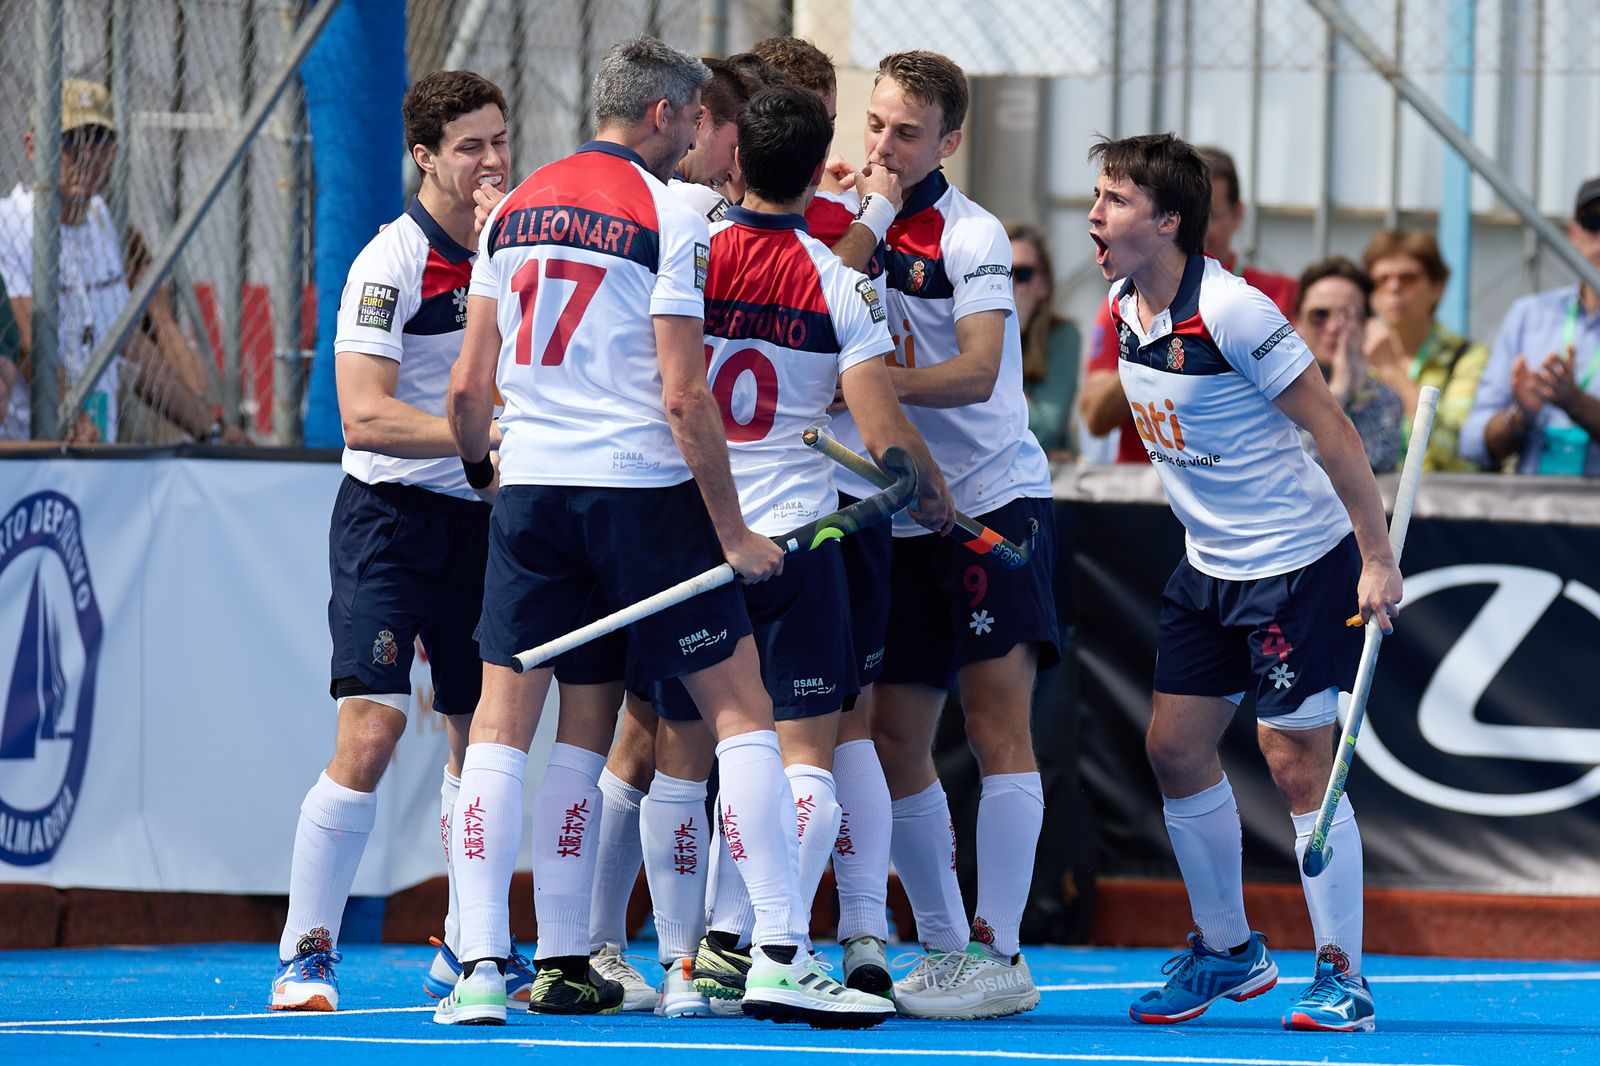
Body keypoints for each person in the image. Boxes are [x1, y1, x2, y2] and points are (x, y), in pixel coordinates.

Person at [437, 36, 894, 1029]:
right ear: (659, 114)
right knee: (740, 711)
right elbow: (685, 396)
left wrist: (484, 471)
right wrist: (729, 532)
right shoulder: (668, 215)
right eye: (693, 118)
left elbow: (468, 388)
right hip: (641, 493)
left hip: (530, 490)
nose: (703, 139)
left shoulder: (509, 209)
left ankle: (491, 965)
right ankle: (775, 947)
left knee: (504, 730)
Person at [636, 84, 952, 1019]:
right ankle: (767, 943)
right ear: (820, 173)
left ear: (732, 161)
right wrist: (930, 494)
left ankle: (683, 971)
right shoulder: (840, 282)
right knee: (802, 753)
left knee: (683, 756)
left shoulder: (686, 254)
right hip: (802, 542)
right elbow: (884, 429)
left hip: (696, 535)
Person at [1086, 132, 1402, 1033]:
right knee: (1174, 751)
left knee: (1297, 764)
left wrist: (1375, 558)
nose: (1095, 215)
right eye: (1098, 196)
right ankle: (1230, 953)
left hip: (1296, 566)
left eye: (1113, 200)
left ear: (1169, 221)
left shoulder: (1235, 312)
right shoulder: (1122, 303)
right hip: (1207, 567)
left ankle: (1343, 976)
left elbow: (1335, 432)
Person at [801, 50, 1060, 1021]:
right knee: (899, 733)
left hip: (991, 500)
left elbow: (983, 369)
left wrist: (864, 386)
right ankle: (948, 943)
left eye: (905, 133)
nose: (880, 146)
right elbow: (819, 308)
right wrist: (858, 220)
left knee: (997, 726)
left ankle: (1003, 944)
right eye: (872, 124)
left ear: (949, 141)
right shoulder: (844, 219)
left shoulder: (974, 232)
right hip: (896, 511)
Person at [265, 70, 516, 1013]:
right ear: (425, 157)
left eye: (501, 140)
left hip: (486, 522)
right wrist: (485, 438)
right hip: (388, 523)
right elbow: (363, 417)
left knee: (480, 742)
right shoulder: (390, 262)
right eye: (470, 147)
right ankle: (305, 952)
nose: (493, 161)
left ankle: (468, 946)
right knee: (372, 733)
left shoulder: (516, 249)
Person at [0, 79, 233, 444]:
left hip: (95, 441)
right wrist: (69, 417)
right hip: (31, 451)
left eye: (98, 139)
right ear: (33, 147)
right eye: (70, 140)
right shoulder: (8, 224)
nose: (87, 155)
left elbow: (125, 342)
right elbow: (30, 341)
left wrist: (209, 428)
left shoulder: (99, 218)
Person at [1079, 145, 1297, 464]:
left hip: (1235, 494)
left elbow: (1316, 413)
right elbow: (1095, 417)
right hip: (1144, 494)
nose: (1195, 227)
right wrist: (1153, 347)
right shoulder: (1124, 299)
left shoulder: (1273, 296)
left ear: (1238, 215)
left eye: (1209, 215)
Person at [1462, 176, 1600, 476]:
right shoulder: (1530, 314)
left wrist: (1576, 403)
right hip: (1532, 516)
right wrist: (1520, 415)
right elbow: (1473, 443)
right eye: (1595, 221)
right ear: (1574, 235)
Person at [1359, 229, 1487, 472]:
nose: (1393, 288)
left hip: (1438, 504)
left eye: (1407, 278)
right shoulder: (1356, 357)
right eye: (1381, 280)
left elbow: (1460, 454)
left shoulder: (1467, 357)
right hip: (1369, 504)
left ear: (1437, 287)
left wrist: (1392, 371)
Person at [1293, 257, 1402, 473]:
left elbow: (1374, 465)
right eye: (1320, 315)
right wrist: (1338, 392)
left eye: (1347, 315)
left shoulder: (1384, 398)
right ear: (1298, 322)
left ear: (1366, 324)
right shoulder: (1277, 392)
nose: (1333, 326)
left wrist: (1355, 391)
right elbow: (1304, 466)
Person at [1007, 220, 1080, 458]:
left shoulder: (1062, 336)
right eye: (1002, 271)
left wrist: (1008, 335)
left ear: (1044, 284)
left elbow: (1043, 431)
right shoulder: (963, 331)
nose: (1012, 284)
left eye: (1023, 274)